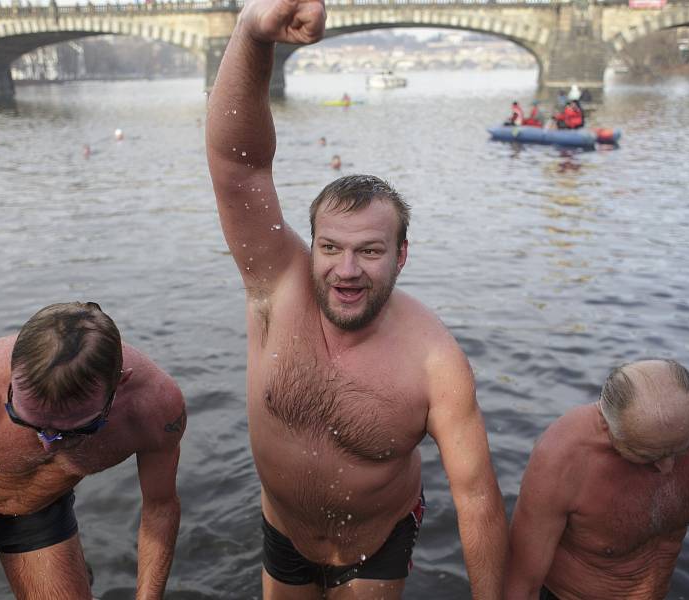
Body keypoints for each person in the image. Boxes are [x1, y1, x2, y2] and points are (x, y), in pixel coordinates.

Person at [205, 1, 507, 598]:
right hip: (283, 534)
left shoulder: (434, 360)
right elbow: (238, 168)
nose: (346, 271)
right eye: (330, 248)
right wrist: (252, 32)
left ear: (401, 256)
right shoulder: (276, 285)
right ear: (310, 246)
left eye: (370, 252)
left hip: (377, 544)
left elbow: (476, 498)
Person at [0, 302, 186, 599]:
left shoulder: (155, 408)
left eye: (77, 429)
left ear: (119, 384)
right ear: (12, 376)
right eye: (24, 420)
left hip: (36, 513)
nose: (49, 443)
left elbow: (160, 506)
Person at [505, 359, 689, 600]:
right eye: (647, 455)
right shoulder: (563, 458)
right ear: (608, 429)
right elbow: (522, 585)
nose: (666, 467)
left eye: (681, 449)